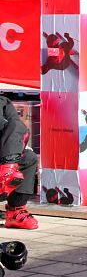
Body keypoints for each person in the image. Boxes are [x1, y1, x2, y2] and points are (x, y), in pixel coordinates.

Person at [0, 97, 39, 230]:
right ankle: (8, 169)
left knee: (29, 158)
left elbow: (15, 129)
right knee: (16, 126)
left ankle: (15, 211)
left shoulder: (3, 102)